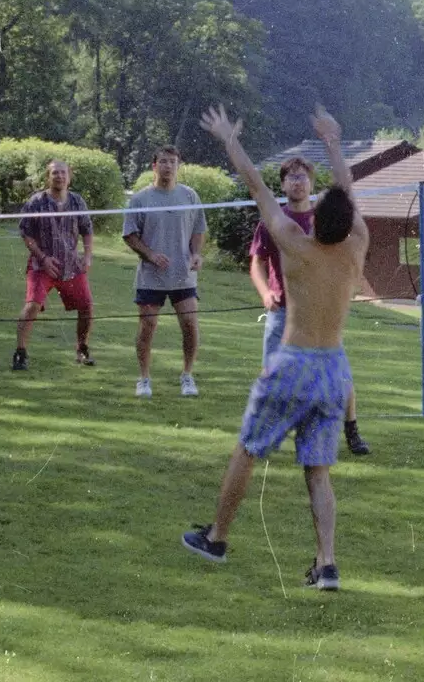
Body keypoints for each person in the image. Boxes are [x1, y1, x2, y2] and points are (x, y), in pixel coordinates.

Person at [182, 105, 368, 592]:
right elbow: (347, 191)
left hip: (293, 364)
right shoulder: (357, 246)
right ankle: (326, 563)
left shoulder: (292, 242)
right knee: (318, 471)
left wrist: (228, 138)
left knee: (247, 450)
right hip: (334, 370)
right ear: (348, 221)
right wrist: (333, 140)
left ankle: (217, 538)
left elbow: (255, 185)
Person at [250, 157, 371, 456]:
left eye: (302, 177)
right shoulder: (275, 223)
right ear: (282, 184)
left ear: (312, 184)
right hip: (282, 314)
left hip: (319, 319)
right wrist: (265, 292)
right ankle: (269, 433)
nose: (297, 182)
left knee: (341, 377)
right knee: (272, 375)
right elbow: (257, 263)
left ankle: (352, 430)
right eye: (291, 177)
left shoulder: (327, 219)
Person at [122, 146, 208, 397]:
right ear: (154, 166)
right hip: (151, 277)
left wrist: (196, 254)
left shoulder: (190, 196)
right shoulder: (140, 199)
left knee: (190, 324)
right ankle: (144, 379)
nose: (168, 166)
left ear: (179, 166)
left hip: (183, 275)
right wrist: (150, 255)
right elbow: (129, 235)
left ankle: (187, 376)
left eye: (172, 162)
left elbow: (198, 230)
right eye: (163, 161)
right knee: (147, 326)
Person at [12, 160, 95, 371]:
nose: (59, 176)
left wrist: (87, 256)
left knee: (86, 306)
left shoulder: (77, 202)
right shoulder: (36, 202)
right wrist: (42, 258)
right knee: (32, 305)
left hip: (71, 266)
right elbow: (26, 234)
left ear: (70, 176)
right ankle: (20, 353)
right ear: (48, 177)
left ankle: (82, 349)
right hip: (42, 266)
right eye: (54, 173)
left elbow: (87, 230)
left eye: (63, 173)